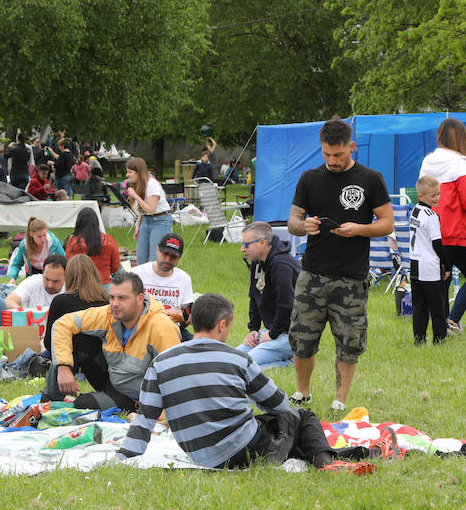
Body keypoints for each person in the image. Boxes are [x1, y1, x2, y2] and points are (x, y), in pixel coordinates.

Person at [116, 293, 379, 474]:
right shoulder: (237, 359)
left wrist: (123, 458)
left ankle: (336, 456)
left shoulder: (161, 362)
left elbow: (145, 419)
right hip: (243, 452)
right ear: (221, 325)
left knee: (283, 433)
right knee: (300, 417)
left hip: (198, 453)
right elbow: (278, 404)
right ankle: (326, 461)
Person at [287, 119, 393, 412]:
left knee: (349, 341)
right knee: (302, 337)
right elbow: (293, 221)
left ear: (351, 147)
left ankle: (340, 399)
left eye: (339, 155)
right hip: (312, 274)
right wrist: (303, 225)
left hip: (351, 275)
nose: (332, 161)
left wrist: (358, 229)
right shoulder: (309, 178)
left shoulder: (371, 178)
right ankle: (302, 392)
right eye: (327, 155)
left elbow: (387, 223)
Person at [44, 270, 180, 410]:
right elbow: (62, 324)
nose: (114, 304)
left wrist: (156, 417)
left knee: (83, 405)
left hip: (138, 397)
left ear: (139, 299)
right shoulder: (109, 313)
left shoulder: (162, 327)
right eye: (112, 297)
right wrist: (63, 367)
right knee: (77, 338)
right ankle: (49, 402)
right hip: (111, 381)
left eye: (122, 298)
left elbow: (175, 380)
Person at [419, 117, 466, 334]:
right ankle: (452, 320)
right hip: (460, 233)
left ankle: (439, 326)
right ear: (461, 139)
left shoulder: (427, 162)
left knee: (442, 279)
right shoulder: (462, 165)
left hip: (433, 232)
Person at [238, 222, 300, 368]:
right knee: (234, 357)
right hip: (273, 331)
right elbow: (254, 296)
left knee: (245, 364)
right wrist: (253, 330)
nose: (242, 249)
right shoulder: (257, 262)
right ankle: (287, 359)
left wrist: (272, 334)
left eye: (246, 244)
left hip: (295, 334)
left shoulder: (281, 265)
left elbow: (286, 305)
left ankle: (292, 360)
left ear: (262, 243)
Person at [408, 176, 451, 346]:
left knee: (419, 306)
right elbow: (437, 244)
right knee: (437, 307)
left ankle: (419, 340)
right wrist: (447, 265)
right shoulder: (431, 215)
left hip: (415, 264)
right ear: (421, 195)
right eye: (433, 195)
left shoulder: (415, 211)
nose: (437, 198)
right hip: (428, 266)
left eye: (438, 194)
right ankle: (439, 341)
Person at [131, 232, 193, 341]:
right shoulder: (137, 274)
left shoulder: (184, 279)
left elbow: (185, 318)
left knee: (198, 347)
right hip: (142, 330)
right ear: (157, 250)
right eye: (165, 254)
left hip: (172, 330)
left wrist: (186, 319)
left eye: (173, 256)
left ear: (179, 257)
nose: (168, 259)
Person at [43, 254, 109, 354]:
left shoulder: (60, 302)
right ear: (94, 274)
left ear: (68, 276)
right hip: (102, 361)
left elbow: (49, 343)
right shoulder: (107, 301)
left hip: (69, 361)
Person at [125, 157, 173, 265]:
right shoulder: (138, 184)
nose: (127, 175)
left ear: (139, 172)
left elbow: (150, 209)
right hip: (146, 220)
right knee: (141, 259)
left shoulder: (152, 184)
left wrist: (136, 196)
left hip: (160, 221)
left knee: (154, 260)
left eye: (130, 172)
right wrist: (138, 225)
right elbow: (143, 211)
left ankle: (155, 281)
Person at [65, 207, 120, 286]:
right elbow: (115, 267)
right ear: (97, 222)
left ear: (78, 223)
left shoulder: (73, 243)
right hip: (103, 285)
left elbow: (69, 267)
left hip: (80, 286)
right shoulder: (109, 241)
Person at [7, 217, 65, 284]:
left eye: (44, 235)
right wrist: (12, 278)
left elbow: (64, 263)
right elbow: (16, 264)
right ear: (31, 234)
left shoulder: (54, 243)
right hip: (32, 274)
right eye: (39, 237)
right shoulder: (24, 245)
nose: (43, 239)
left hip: (51, 274)